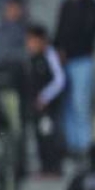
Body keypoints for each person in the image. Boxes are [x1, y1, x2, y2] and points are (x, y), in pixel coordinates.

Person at [54, 0, 95, 156]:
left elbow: (87, 33)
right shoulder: (66, 4)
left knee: (80, 104)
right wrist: (57, 51)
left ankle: (85, 145)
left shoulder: (91, 5)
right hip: (64, 62)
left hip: (81, 61)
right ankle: (72, 145)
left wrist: (69, 50)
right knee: (67, 106)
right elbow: (60, 31)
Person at [23, 24, 67, 176]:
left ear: (42, 41)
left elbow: (60, 80)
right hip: (37, 107)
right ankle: (44, 168)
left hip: (49, 106)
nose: (30, 45)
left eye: (33, 41)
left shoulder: (50, 55)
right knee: (40, 136)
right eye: (28, 41)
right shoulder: (31, 58)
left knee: (49, 135)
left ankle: (54, 167)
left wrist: (45, 96)